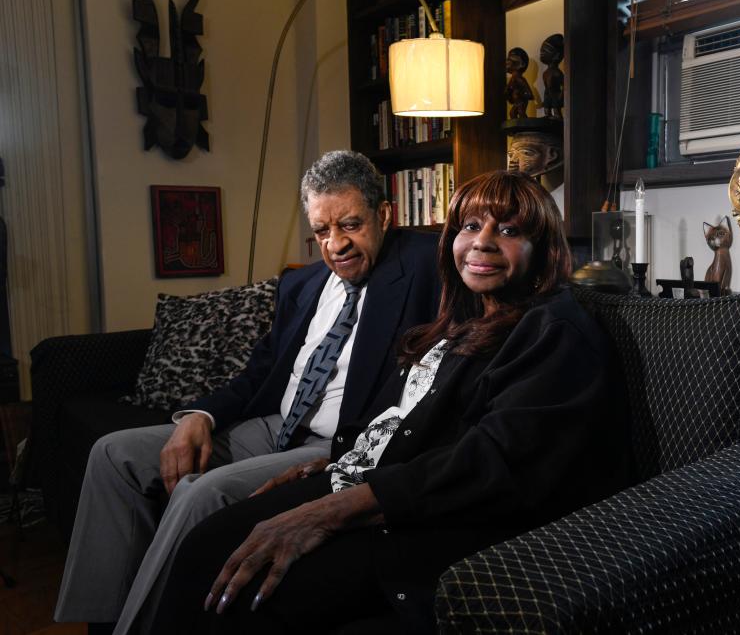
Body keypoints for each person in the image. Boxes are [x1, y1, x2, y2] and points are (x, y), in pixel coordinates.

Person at [149, 170, 634, 634]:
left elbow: (492, 460)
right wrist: (331, 466)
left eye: (508, 230)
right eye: (470, 225)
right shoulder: (460, 321)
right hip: (360, 480)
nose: (482, 241)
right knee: (203, 545)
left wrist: (329, 511)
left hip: (422, 523)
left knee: (246, 591)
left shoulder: (554, 330)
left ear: (543, 250)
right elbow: (400, 423)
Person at [54, 150, 441, 635]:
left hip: (332, 443)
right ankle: (103, 622)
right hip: (270, 426)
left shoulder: (427, 265)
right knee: (112, 454)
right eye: (322, 231)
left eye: (351, 224)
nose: (336, 244)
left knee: (202, 493)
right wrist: (200, 417)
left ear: (385, 215)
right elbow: (259, 374)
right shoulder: (301, 284)